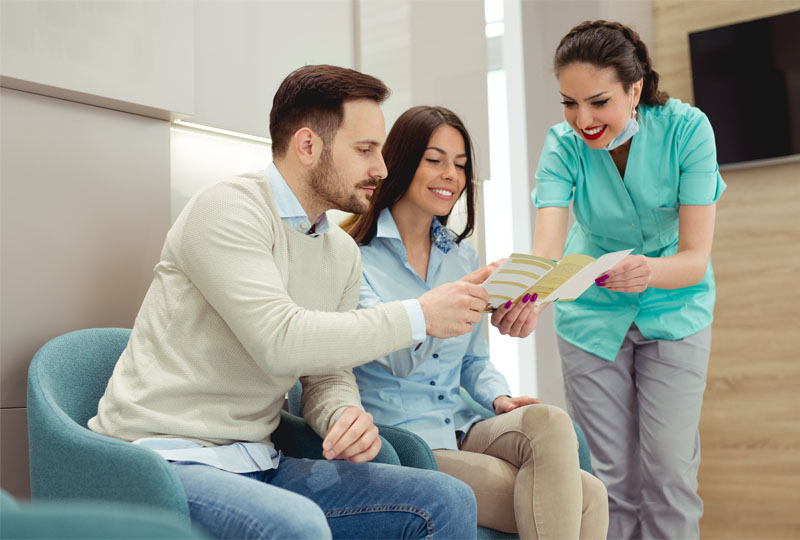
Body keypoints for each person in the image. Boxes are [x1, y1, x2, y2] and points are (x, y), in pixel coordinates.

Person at [88, 65, 487, 540]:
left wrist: (340, 414)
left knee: (445, 498)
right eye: (365, 150)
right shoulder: (228, 210)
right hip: (162, 458)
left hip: (258, 459)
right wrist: (419, 315)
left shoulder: (339, 252)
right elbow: (281, 340)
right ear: (307, 146)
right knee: (295, 524)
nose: (381, 168)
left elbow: (326, 371)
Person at [497, 21, 727, 539]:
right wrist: (530, 298)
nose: (583, 119)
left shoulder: (688, 130)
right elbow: (547, 250)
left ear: (636, 87)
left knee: (669, 475)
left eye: (598, 102)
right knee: (607, 482)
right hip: (591, 316)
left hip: (675, 308)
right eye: (569, 103)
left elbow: (694, 258)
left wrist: (649, 272)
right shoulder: (562, 146)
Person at [342, 105, 609, 539]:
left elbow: (473, 362)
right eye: (435, 160)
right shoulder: (352, 256)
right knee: (589, 498)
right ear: (402, 161)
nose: (451, 174)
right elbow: (395, 360)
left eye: (461, 165)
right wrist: (444, 304)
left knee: (552, 422)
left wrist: (499, 397)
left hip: (464, 423)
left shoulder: (461, 255)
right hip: (407, 441)